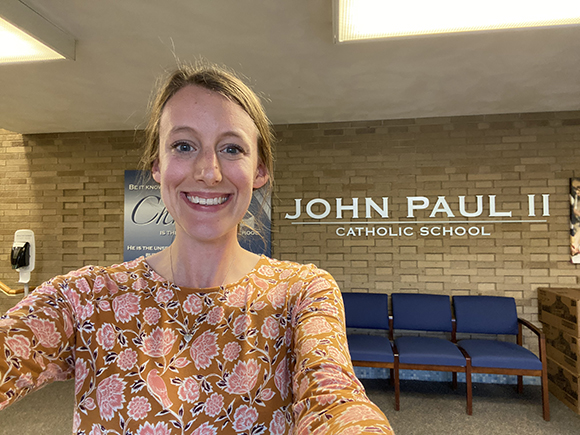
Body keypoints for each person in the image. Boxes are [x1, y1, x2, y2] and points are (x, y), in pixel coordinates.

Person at [0, 63, 394, 434]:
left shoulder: (301, 293)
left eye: (232, 148)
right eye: (185, 146)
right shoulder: (88, 298)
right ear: (157, 166)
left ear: (259, 171)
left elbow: (334, 399)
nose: (208, 171)